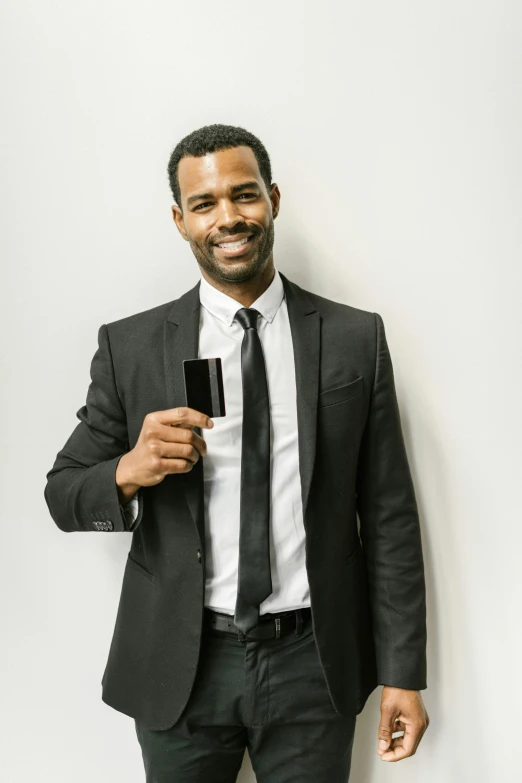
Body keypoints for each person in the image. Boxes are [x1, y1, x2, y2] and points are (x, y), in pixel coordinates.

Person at [44, 123, 429, 782]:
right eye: (205, 203)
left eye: (243, 195)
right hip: (181, 664)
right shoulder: (130, 348)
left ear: (273, 199)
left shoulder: (352, 340)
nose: (228, 216)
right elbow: (63, 494)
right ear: (180, 219)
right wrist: (127, 472)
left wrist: (403, 674)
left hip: (314, 660)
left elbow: (389, 515)